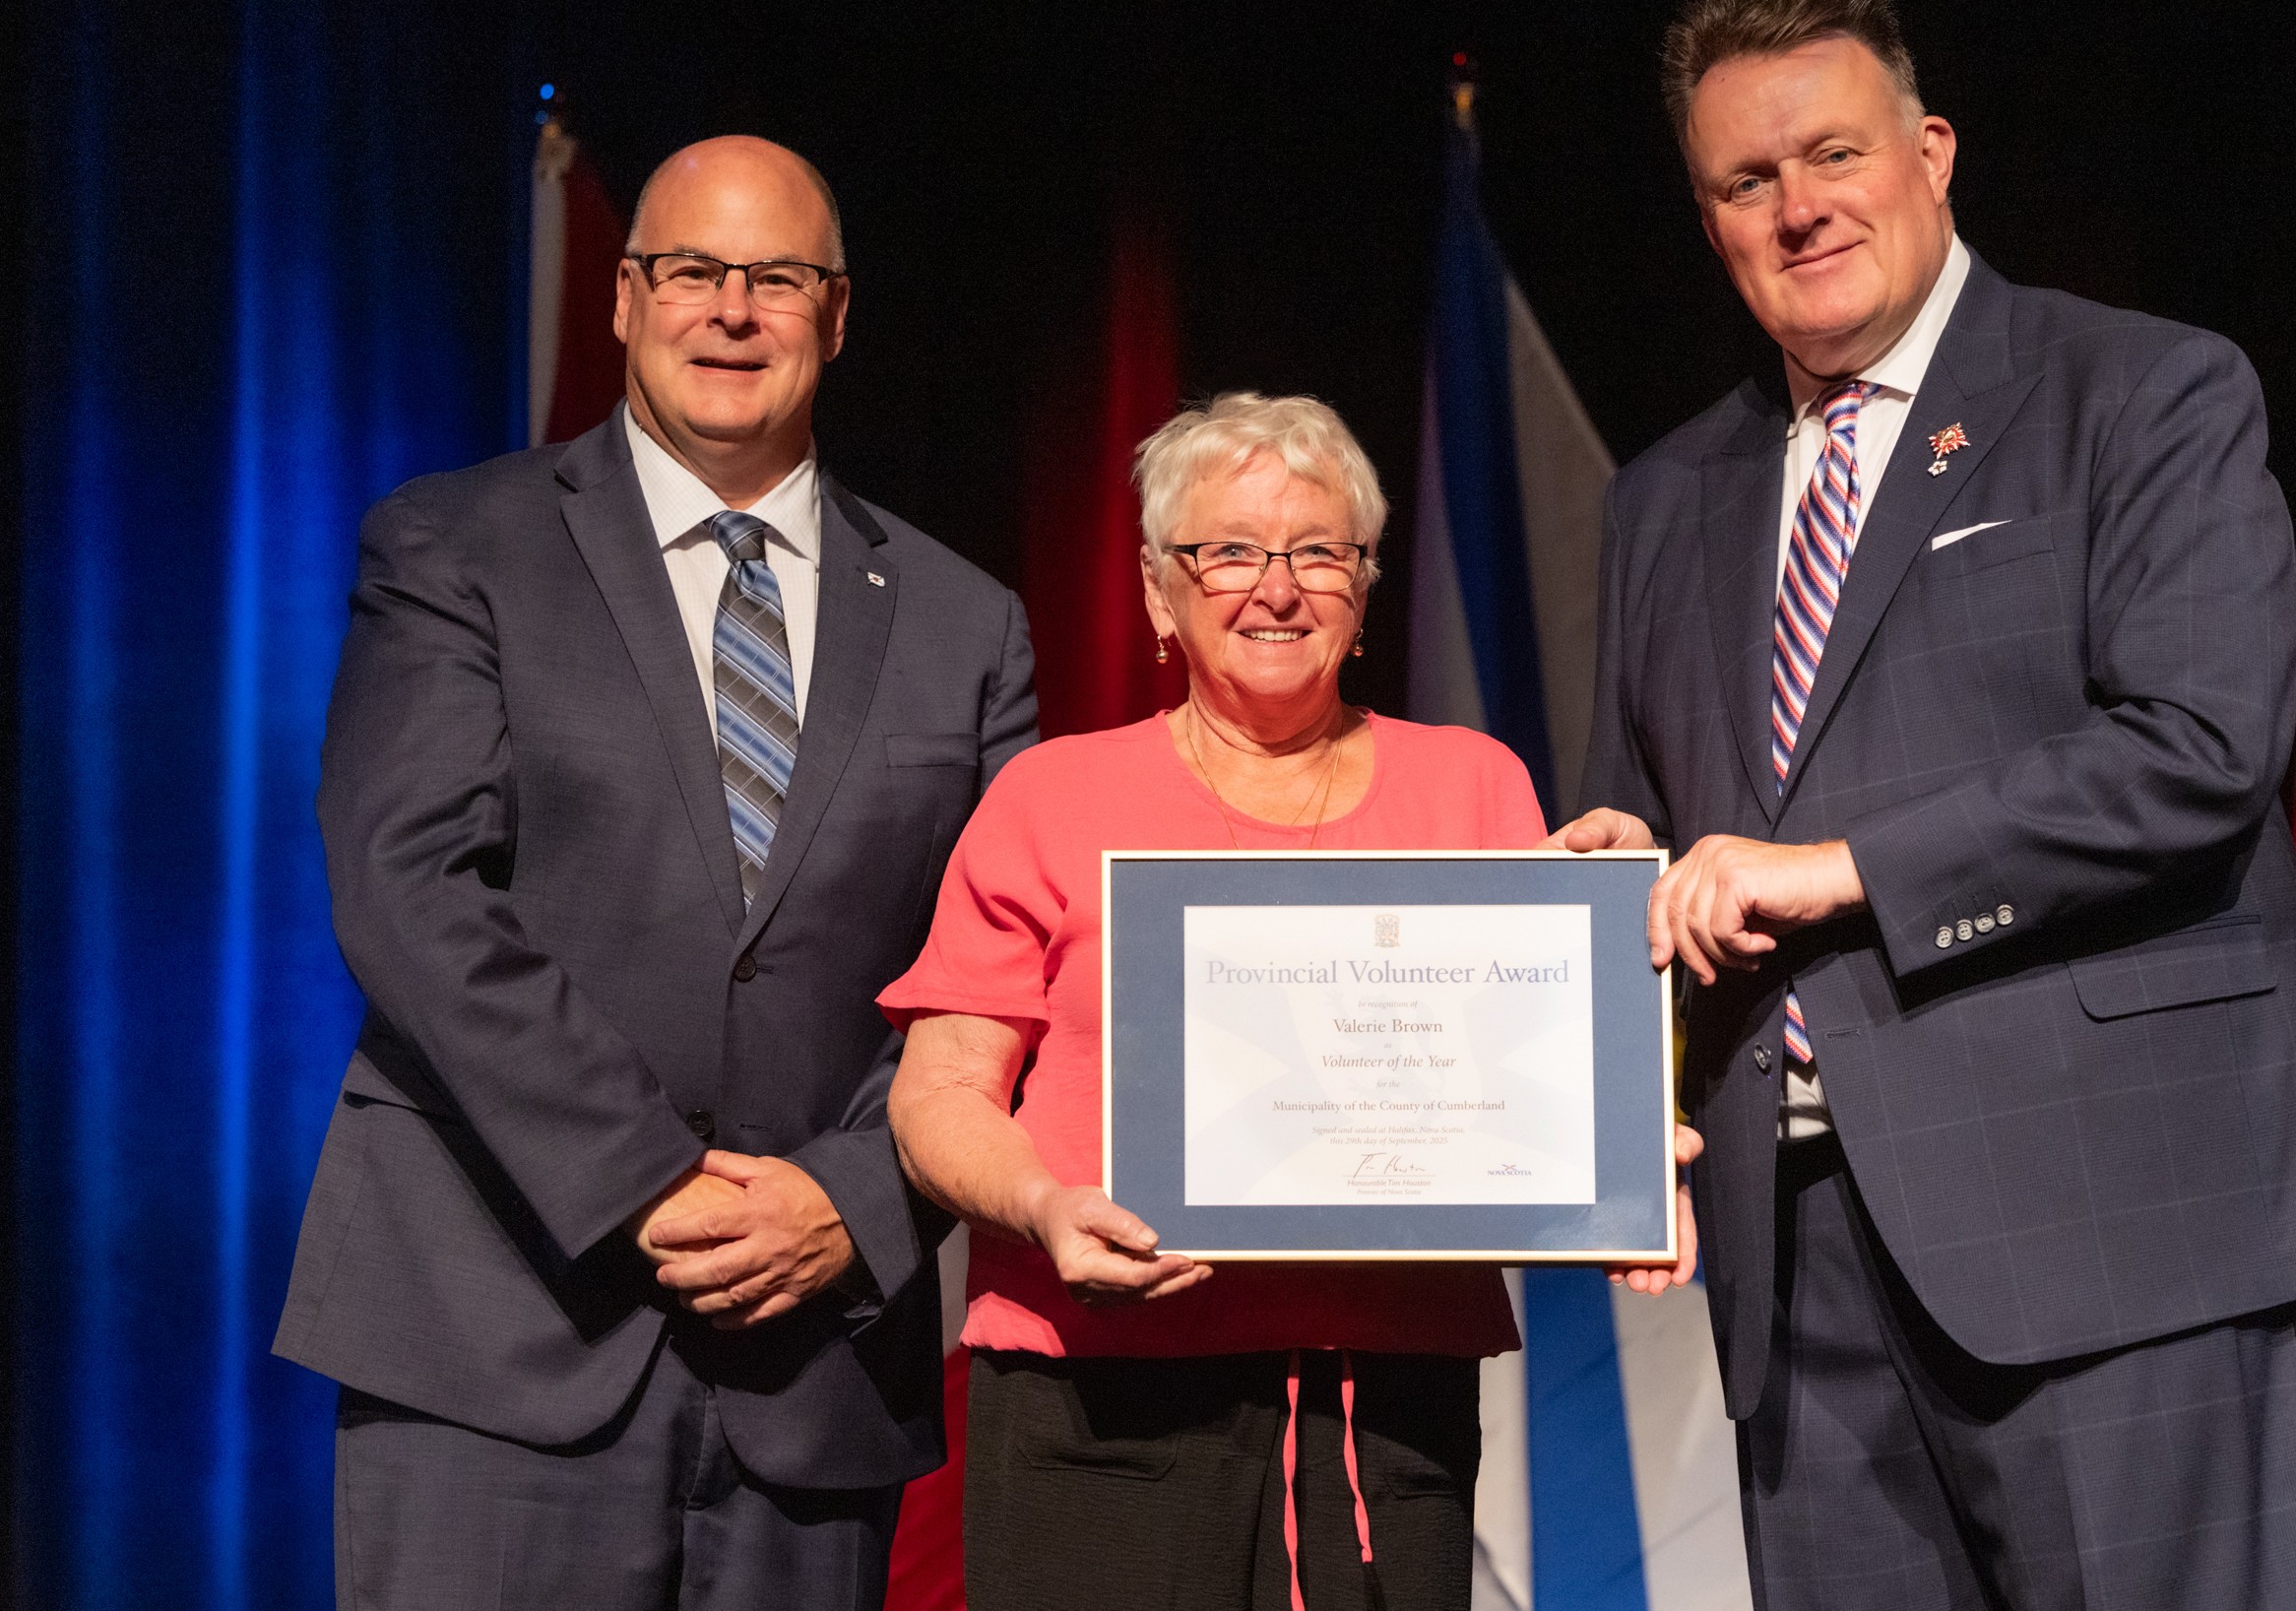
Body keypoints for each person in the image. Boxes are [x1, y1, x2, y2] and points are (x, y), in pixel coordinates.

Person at [1554, 0, 2296, 1609]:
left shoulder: (2143, 391)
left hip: (2119, 1226)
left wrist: (1837, 866)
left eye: (1831, 155)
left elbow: (2196, 750)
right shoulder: (1667, 497)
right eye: (1745, 182)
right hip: (1797, 1270)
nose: (1796, 208)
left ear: (1931, 151)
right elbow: (1661, 840)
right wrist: (1611, 954)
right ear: (1706, 217)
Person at [275, 135, 1037, 1609]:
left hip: (812, 1378)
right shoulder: (456, 545)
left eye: (778, 279)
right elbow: (407, 885)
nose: (732, 309)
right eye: (693, 270)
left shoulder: (966, 621)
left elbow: (1001, 969)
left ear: (839, 313)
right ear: (625, 298)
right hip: (492, 1343)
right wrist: (648, 1179)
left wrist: (850, 1196)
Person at [885, 393, 1589, 1611]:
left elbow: (1537, 1085)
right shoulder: (1053, 797)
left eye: (1319, 551)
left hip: (1384, 1415)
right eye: (1231, 552)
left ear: (1363, 590)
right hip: (1099, 1399)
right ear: (1162, 592)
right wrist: (1046, 1203)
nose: (1278, 587)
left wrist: (1619, 1106)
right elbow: (939, 1091)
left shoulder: (1475, 788)